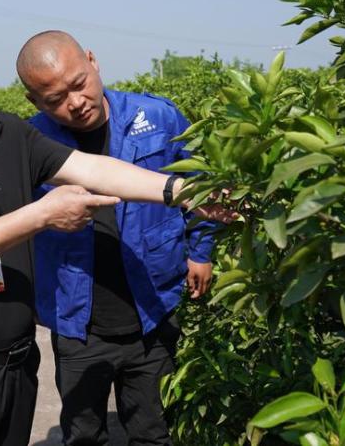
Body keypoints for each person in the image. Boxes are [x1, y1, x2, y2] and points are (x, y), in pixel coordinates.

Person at [0, 13, 236, 446]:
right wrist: (43, 214)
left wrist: (182, 190)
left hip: (17, 362)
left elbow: (93, 169)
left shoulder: (1, 131)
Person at [17, 30, 216, 445]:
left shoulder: (157, 117)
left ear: (92, 61)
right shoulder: (31, 143)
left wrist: (201, 252)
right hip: (78, 320)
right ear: (35, 101)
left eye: (79, 83)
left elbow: (201, 184)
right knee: (84, 433)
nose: (75, 102)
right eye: (55, 99)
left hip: (151, 304)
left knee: (151, 429)